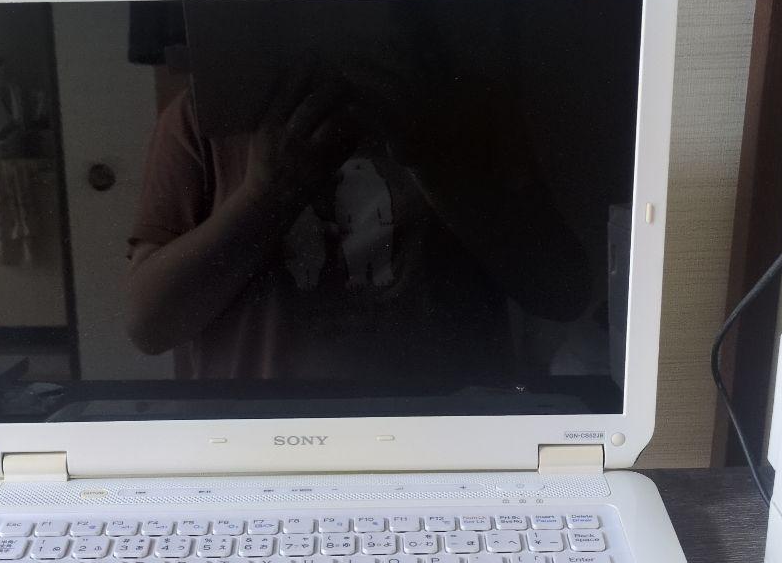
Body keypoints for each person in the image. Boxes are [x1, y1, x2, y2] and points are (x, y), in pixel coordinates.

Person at [126, 52, 590, 389]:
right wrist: (266, 195)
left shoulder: (473, 104)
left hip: (450, 436)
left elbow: (561, 292)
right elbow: (149, 325)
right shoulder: (207, 116)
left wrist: (438, 167)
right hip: (259, 438)